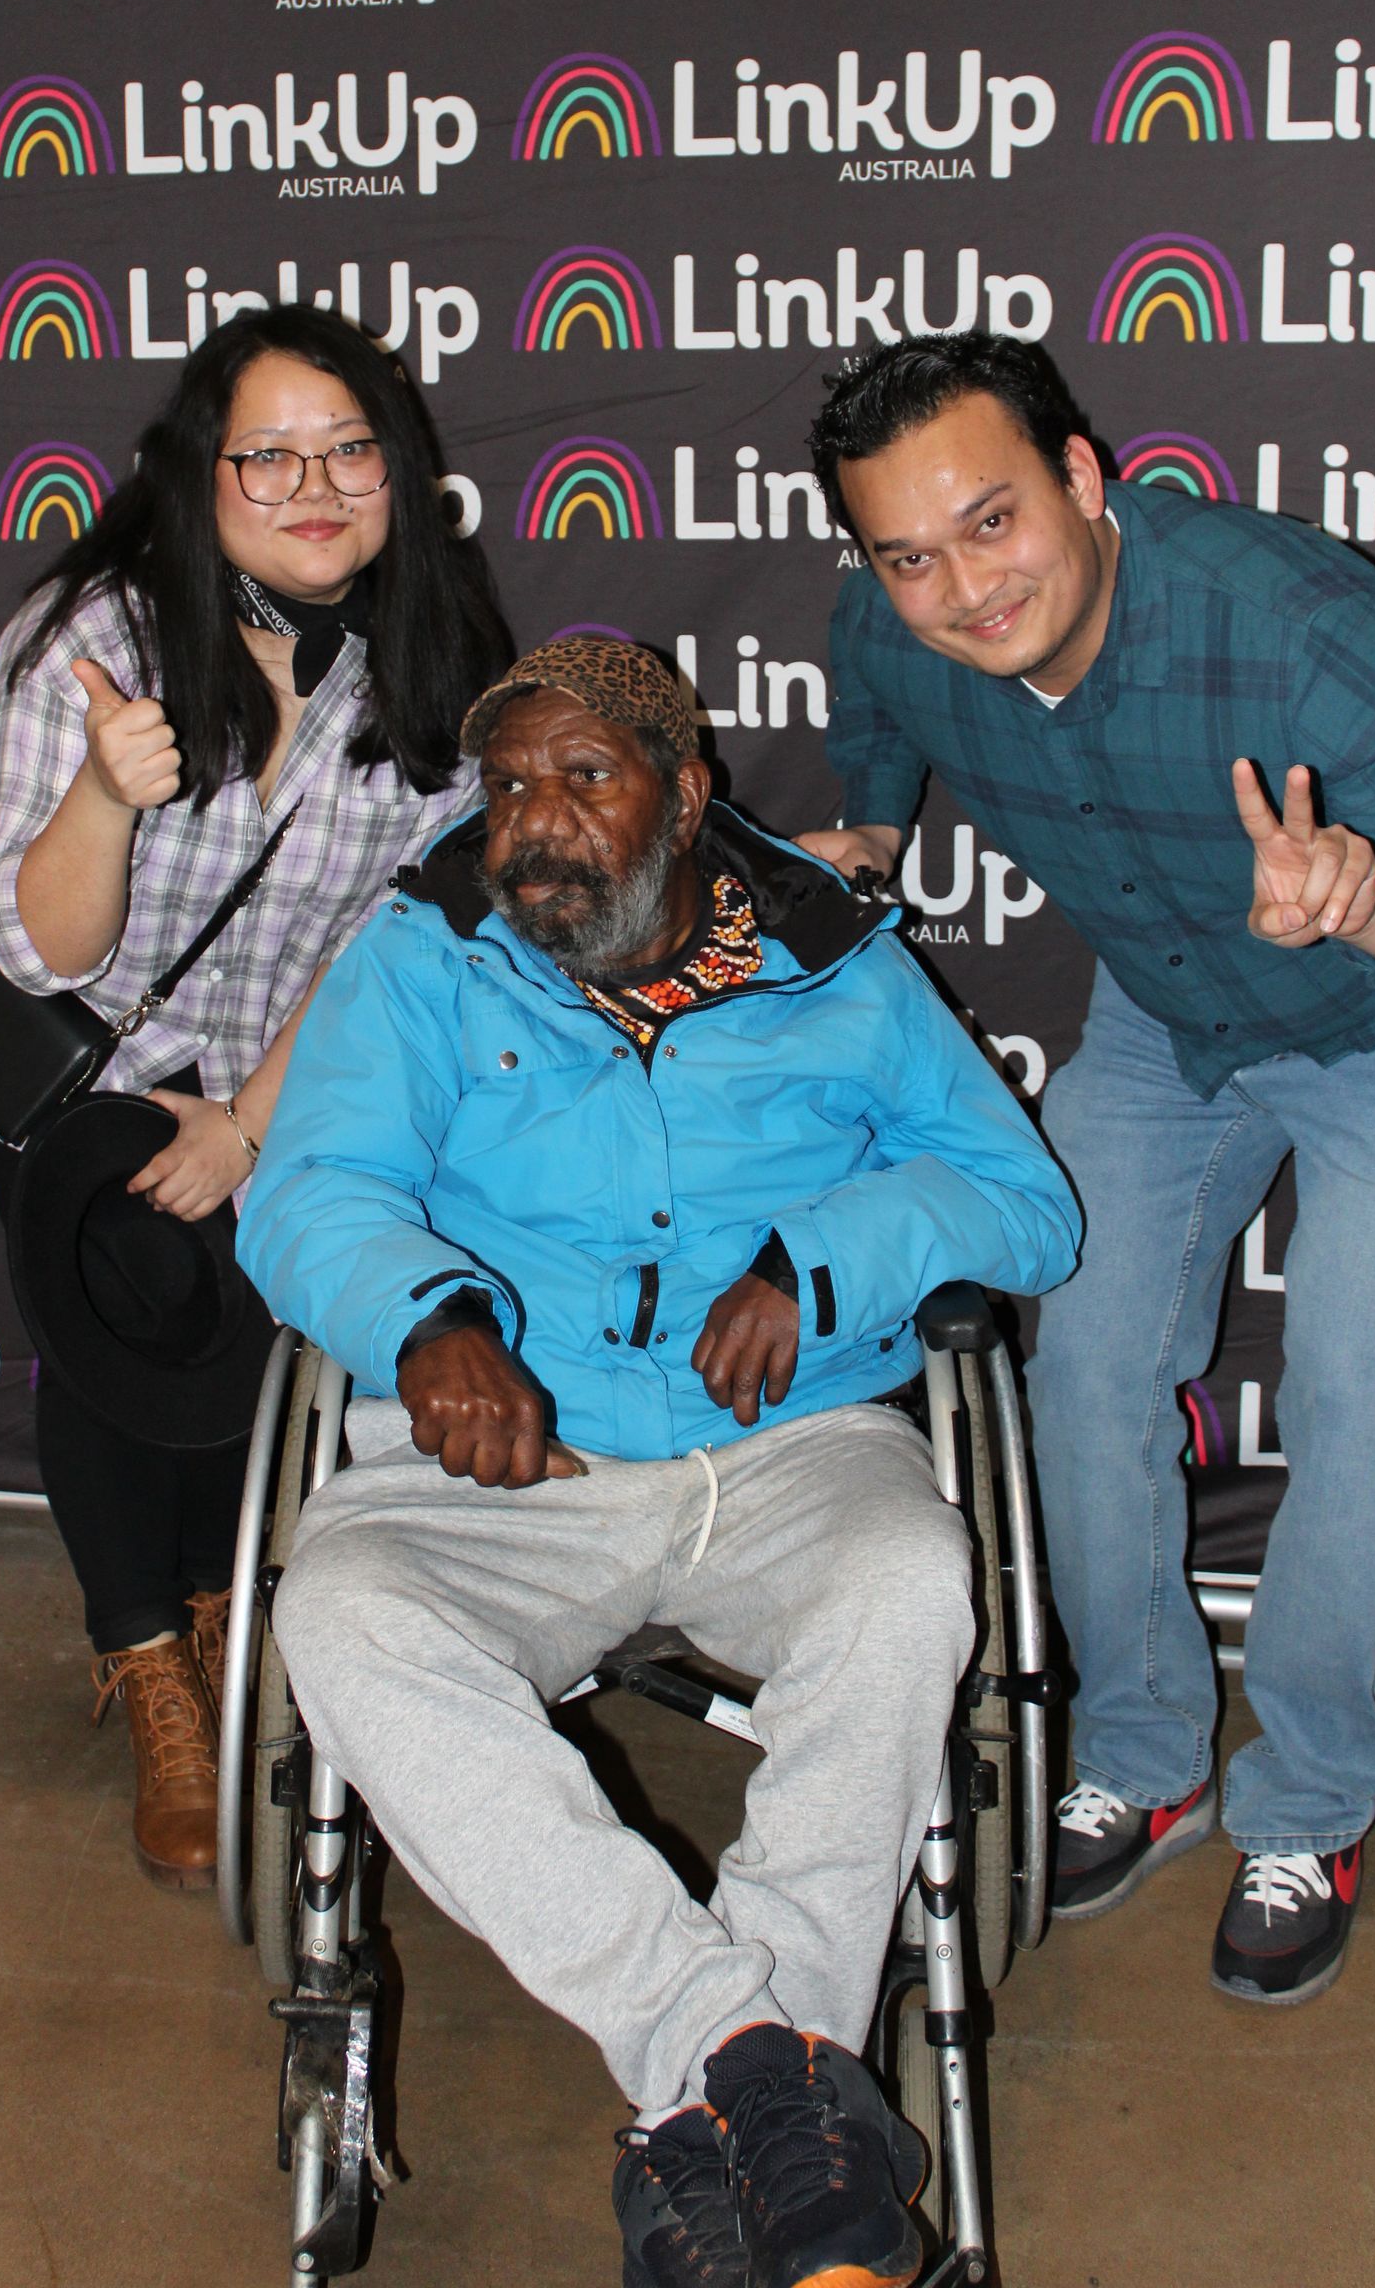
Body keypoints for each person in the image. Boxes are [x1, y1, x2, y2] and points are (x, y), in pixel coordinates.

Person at [238, 638, 1079, 2288]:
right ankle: (757, 2084)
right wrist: (428, 1319)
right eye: (508, 790)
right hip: (504, 1458)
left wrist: (818, 1257)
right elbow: (308, 1188)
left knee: (915, 1586)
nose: (534, 824)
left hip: (789, 1448)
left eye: (584, 780)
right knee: (338, 1616)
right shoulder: (424, 957)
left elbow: (1023, 1204)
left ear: (688, 799)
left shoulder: (839, 968)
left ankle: (719, 2128)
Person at [797, 330, 1375, 2009]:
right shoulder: (895, 615)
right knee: (1079, 1366)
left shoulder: (1291, 622)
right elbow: (873, 684)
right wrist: (871, 826)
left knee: (1364, 1385)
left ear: (1087, 482)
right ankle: (1146, 1751)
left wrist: (1372, 897)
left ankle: (1306, 1801)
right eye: (912, 554)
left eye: (994, 523)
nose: (962, 587)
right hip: (1177, 1012)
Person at [0, 305, 510, 1889]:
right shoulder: (95, 637)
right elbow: (38, 943)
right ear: (201, 473)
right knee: (114, 1330)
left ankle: (205, 1601)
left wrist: (250, 1121)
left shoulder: (436, 661)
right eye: (272, 454)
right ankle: (150, 1663)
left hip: (274, 1065)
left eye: (351, 450)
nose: (316, 486)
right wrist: (109, 793)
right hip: (72, 1057)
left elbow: (397, 934)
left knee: (230, 1344)